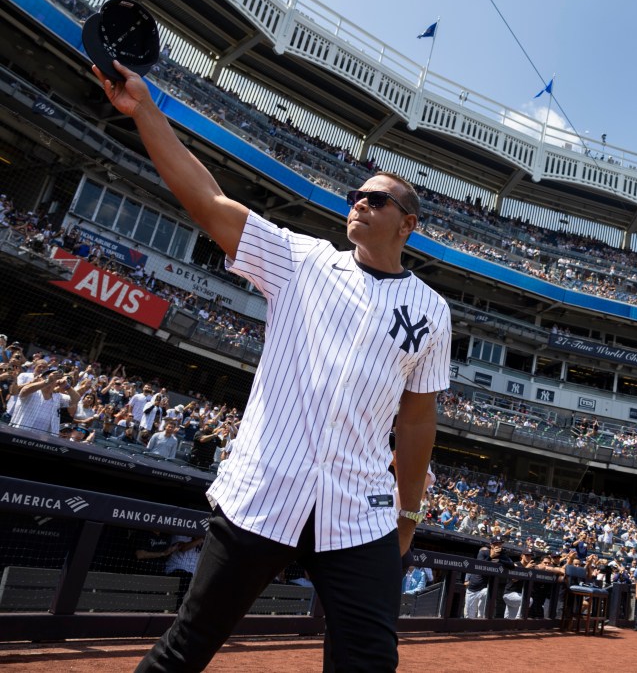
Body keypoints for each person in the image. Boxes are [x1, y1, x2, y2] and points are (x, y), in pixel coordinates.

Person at [93, 59, 451, 672]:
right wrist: (146, 112)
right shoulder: (302, 261)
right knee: (187, 646)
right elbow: (207, 200)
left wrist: (408, 515)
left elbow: (417, 423)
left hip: (360, 508)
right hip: (266, 487)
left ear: (408, 225)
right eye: (355, 195)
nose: (359, 202)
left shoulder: (432, 310)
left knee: (368, 662)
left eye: (377, 198)